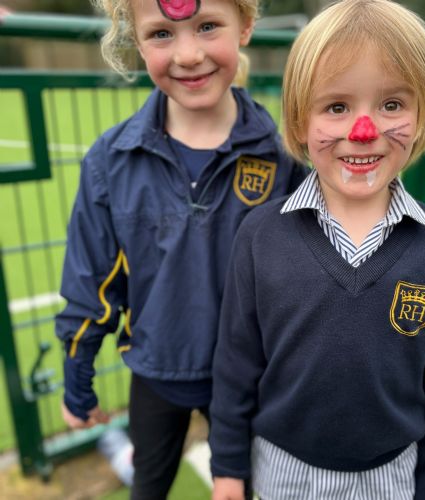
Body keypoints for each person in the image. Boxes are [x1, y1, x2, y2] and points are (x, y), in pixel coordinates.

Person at [209, 1, 425, 499]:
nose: (363, 131)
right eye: (337, 107)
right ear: (300, 121)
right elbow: (235, 366)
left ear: (422, 115)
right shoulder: (260, 236)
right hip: (281, 472)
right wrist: (227, 468)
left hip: (390, 478)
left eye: (391, 105)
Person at [55, 0, 307, 498]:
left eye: (207, 26)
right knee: (148, 486)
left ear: (246, 25)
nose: (188, 54)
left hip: (248, 380)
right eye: (161, 34)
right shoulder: (110, 160)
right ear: (136, 40)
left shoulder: (284, 158)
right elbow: (91, 282)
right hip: (156, 374)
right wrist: (77, 376)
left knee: (249, 488)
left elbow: (304, 284)